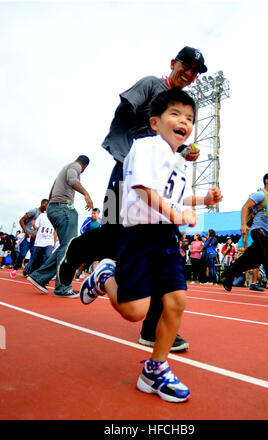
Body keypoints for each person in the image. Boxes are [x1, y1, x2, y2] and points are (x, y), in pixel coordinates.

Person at [58, 46, 208, 351]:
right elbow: (124, 111)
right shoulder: (152, 84)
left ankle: (152, 329)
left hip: (158, 182)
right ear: (173, 64)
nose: (190, 74)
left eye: (195, 71)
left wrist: (180, 151)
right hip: (126, 172)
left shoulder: (181, 108)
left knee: (159, 241)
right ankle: (80, 249)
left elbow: (169, 140)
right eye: (187, 66)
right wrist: (140, 140)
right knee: (116, 231)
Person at [79, 88, 222, 403]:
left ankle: (155, 370)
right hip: (140, 235)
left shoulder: (176, 161)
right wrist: (177, 214)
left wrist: (202, 200)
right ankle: (104, 276)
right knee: (134, 311)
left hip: (165, 237)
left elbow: (174, 195)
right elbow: (145, 190)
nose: (183, 121)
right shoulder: (146, 147)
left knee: (176, 301)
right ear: (155, 122)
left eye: (189, 118)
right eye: (175, 114)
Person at [221, 173, 268, 304]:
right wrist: (243, 225)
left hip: (267, 232)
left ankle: (228, 275)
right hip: (258, 231)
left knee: (251, 260)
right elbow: (245, 207)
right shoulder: (260, 194)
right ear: (267, 181)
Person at [28, 155, 93, 298]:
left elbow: (51, 194)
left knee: (65, 246)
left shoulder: (63, 170)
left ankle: (39, 277)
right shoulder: (75, 166)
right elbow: (72, 180)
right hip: (63, 208)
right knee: (69, 246)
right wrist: (86, 194)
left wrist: (54, 208)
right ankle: (62, 288)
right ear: (84, 166)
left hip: (55, 208)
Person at [10, 199, 49, 278]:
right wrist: (26, 231)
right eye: (47, 206)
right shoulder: (34, 211)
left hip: (35, 238)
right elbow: (21, 220)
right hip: (26, 236)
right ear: (43, 205)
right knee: (23, 254)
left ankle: (27, 272)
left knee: (35, 255)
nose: (48, 208)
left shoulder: (44, 215)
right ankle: (15, 269)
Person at [23, 211, 57, 277]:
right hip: (39, 242)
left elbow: (55, 231)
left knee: (48, 256)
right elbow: (36, 227)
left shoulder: (55, 217)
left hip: (49, 241)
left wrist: (54, 242)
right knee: (35, 258)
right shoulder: (42, 216)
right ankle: (29, 273)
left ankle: (43, 275)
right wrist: (33, 224)